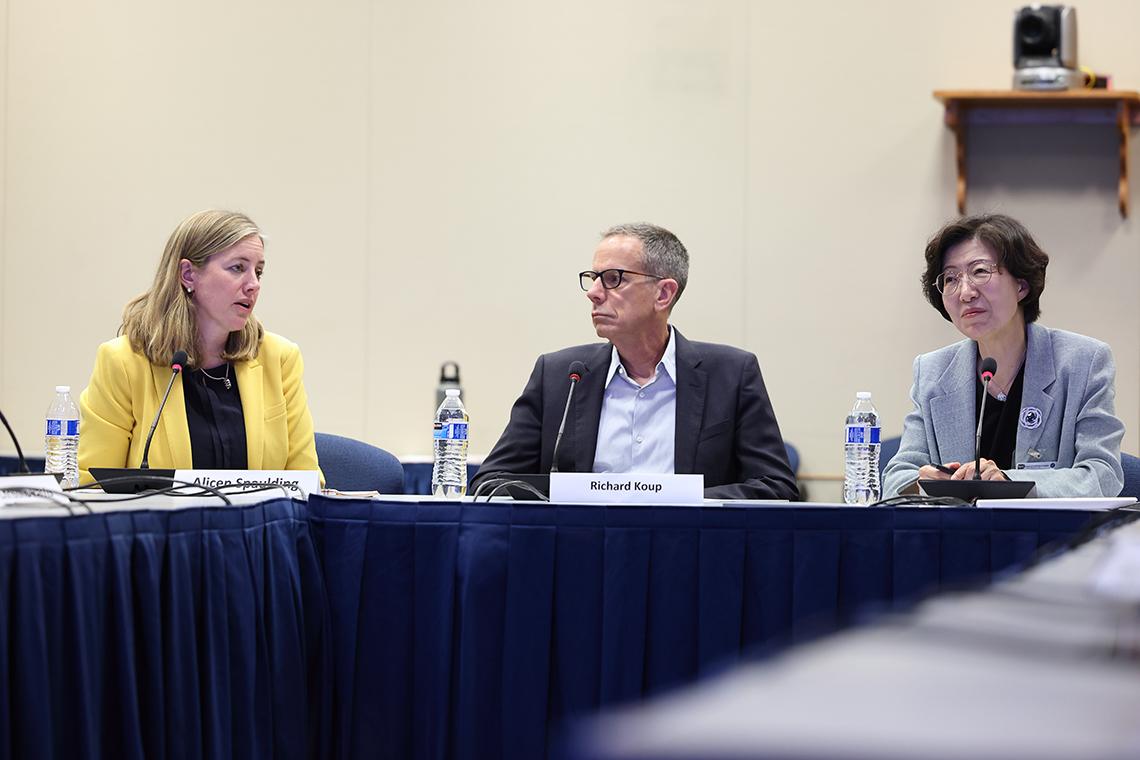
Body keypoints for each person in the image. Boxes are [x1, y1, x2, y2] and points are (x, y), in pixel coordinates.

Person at [472, 223, 798, 501]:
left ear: (663, 294)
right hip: (581, 546)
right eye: (593, 277)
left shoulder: (731, 374)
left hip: (688, 547)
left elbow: (776, 487)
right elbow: (490, 482)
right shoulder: (560, 375)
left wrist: (677, 500)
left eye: (613, 278)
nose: (594, 292)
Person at [883, 213, 1124, 498]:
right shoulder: (932, 371)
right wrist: (924, 483)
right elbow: (896, 477)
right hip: (958, 527)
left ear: (1021, 285)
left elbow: (1102, 474)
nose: (965, 293)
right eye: (950, 278)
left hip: (1048, 527)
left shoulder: (1083, 362)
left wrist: (1009, 482)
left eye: (980, 271)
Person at [78, 209, 320, 483]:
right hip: (159, 513)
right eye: (238, 268)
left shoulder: (279, 359)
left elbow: (307, 482)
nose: (253, 284)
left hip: (261, 513)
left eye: (259, 272)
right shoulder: (123, 362)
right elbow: (92, 484)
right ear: (188, 275)